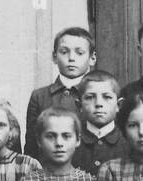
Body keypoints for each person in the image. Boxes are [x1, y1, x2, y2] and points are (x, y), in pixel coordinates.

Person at [24, 26, 96, 155]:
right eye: (64, 52)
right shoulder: (40, 96)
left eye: (79, 53)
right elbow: (32, 145)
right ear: (54, 57)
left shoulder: (98, 95)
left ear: (92, 58)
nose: (71, 58)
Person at [74, 69, 127, 177]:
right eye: (90, 97)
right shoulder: (71, 143)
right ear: (79, 105)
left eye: (107, 97)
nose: (98, 104)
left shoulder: (128, 143)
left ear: (119, 105)